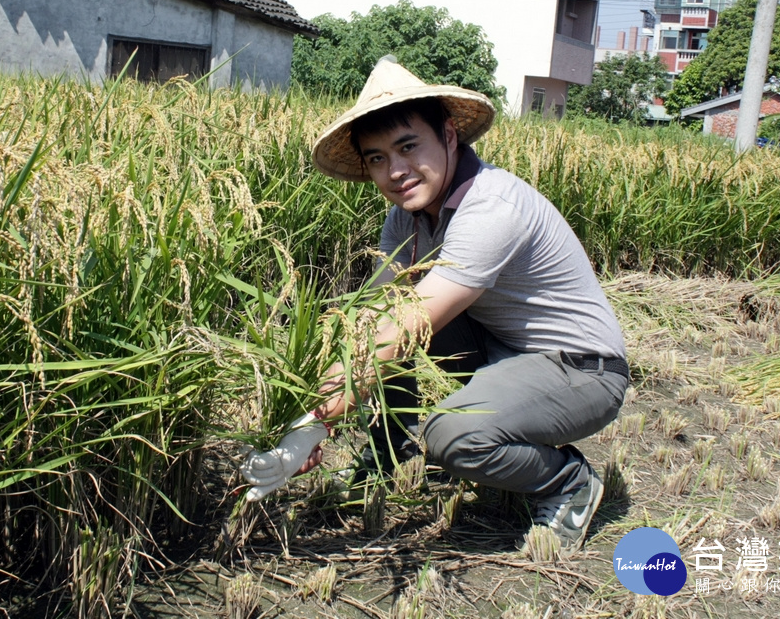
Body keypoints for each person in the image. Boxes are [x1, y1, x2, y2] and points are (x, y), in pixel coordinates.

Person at [239, 57, 628, 550]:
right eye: (377, 158)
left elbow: (405, 326)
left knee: (452, 435)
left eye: (407, 147)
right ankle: (389, 449)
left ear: (448, 135)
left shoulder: (491, 206)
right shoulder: (408, 218)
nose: (395, 171)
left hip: (582, 370)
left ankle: (567, 482)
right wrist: (307, 413)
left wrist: (316, 424)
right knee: (385, 321)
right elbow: (373, 320)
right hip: (502, 350)